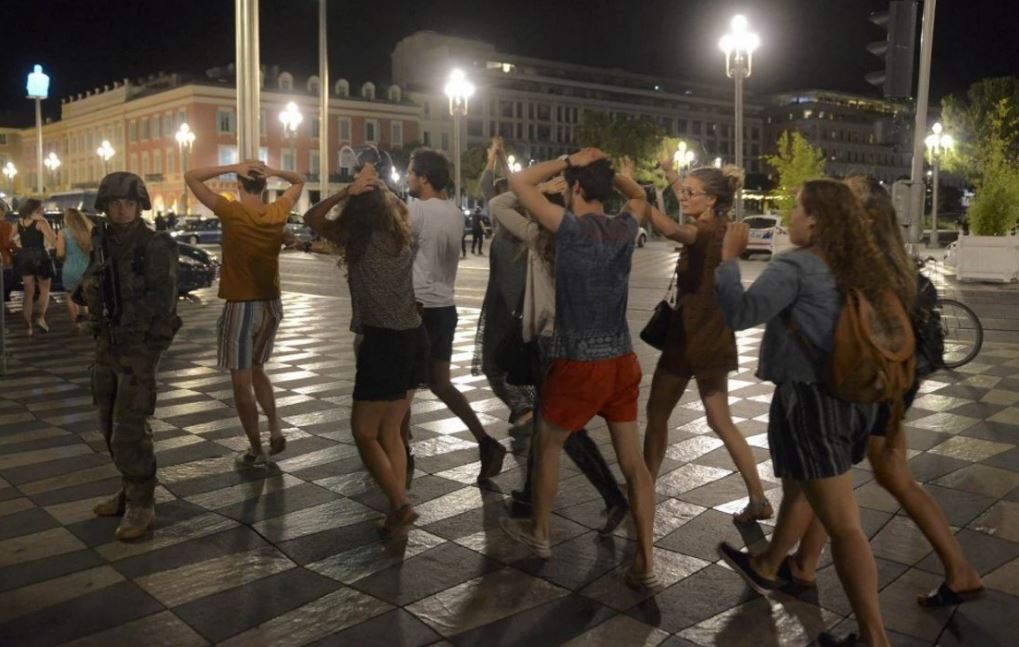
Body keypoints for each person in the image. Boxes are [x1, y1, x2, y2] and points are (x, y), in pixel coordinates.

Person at [778, 176, 983, 609]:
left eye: (847, 198)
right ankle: (805, 564)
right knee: (864, 474)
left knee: (855, 473)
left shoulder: (869, 266)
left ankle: (956, 572)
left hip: (879, 386)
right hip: (893, 384)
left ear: (866, 215)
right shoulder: (890, 261)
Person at [714, 179, 896, 647]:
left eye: (796, 208)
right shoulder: (860, 264)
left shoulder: (797, 265)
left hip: (813, 403)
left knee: (845, 526)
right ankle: (771, 565)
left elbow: (740, 313)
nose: (789, 217)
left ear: (814, 220)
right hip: (855, 398)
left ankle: (874, 637)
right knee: (802, 487)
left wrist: (729, 260)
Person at [499, 148, 659, 589]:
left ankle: (541, 533)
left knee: (548, 445)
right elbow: (640, 195)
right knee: (634, 464)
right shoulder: (625, 227)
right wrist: (610, 172)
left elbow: (518, 182)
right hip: (621, 360)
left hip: (577, 361)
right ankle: (645, 560)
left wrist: (569, 159)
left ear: (575, 189)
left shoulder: (567, 227)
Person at [490, 172, 629, 533]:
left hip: (549, 341)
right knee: (548, 423)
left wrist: (536, 189)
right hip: (580, 339)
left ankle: (609, 496)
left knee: (559, 428)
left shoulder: (538, 235)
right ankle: (532, 496)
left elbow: (498, 203)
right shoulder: (580, 236)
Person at [641, 153, 772, 524]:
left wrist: (640, 202)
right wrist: (671, 174)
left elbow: (675, 231)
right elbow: (685, 213)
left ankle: (644, 488)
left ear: (711, 199)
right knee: (720, 419)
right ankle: (758, 497)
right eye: (683, 191)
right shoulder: (716, 225)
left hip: (689, 337)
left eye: (691, 193)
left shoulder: (706, 231)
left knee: (657, 414)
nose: (683, 197)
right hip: (712, 336)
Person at [303, 161, 424, 535]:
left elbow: (311, 217)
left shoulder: (356, 237)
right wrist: (385, 191)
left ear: (354, 208)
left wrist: (346, 191)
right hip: (414, 337)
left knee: (363, 432)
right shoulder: (402, 235)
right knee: (392, 431)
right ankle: (396, 509)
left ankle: (401, 505)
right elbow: (403, 211)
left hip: (383, 341)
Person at [185, 160, 305, 466]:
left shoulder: (231, 211)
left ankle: (256, 449)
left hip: (240, 306)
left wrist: (232, 165)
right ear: (264, 185)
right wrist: (275, 172)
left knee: (241, 381)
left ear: (239, 185)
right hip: (271, 306)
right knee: (258, 369)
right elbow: (299, 180)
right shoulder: (278, 210)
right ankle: (275, 428)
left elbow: (192, 176)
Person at [83, 172, 181, 541]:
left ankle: (142, 503)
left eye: (128, 203)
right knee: (108, 424)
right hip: (107, 345)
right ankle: (129, 488)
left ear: (139, 206)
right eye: (115, 204)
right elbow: (93, 282)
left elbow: (165, 299)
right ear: (105, 207)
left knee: (130, 428)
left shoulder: (155, 244)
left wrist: (147, 343)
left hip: (138, 350)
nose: (122, 210)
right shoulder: (102, 242)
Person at [404, 147, 506, 481]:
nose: (407, 177)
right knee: (441, 384)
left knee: (402, 387)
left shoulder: (416, 211)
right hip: (445, 307)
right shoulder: (454, 213)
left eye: (411, 172)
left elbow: (397, 252)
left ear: (424, 178)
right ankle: (486, 442)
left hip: (419, 308)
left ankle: (399, 451)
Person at [472, 136, 534, 428]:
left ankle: (523, 407)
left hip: (512, 308)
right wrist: (498, 157)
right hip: (506, 304)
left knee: (495, 363)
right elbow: (490, 186)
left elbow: (492, 187)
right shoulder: (517, 227)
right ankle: (525, 406)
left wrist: (496, 158)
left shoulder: (522, 229)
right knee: (503, 362)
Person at [56, 208, 93, 333]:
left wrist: (64, 257)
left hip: (70, 269)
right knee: (89, 296)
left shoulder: (63, 233)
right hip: (88, 268)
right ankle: (90, 321)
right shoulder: (89, 231)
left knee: (71, 297)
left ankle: (76, 324)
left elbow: (60, 254)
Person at [0, 202, 16, 302]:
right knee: (6, 284)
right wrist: (18, 248)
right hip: (4, 258)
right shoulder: (5, 225)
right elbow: (7, 243)